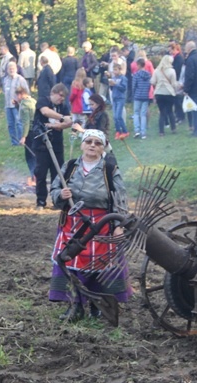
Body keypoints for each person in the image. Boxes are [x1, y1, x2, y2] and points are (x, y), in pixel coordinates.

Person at [49, 129, 130, 321]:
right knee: (70, 263)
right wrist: (61, 195)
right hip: (73, 223)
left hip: (101, 225)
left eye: (97, 143)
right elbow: (54, 190)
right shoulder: (69, 167)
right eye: (89, 141)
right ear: (82, 145)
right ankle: (75, 306)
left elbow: (121, 198)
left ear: (103, 148)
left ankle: (96, 305)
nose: (92, 145)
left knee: (99, 266)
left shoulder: (109, 169)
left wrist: (119, 225)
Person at [32, 83, 72, 209]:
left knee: (58, 173)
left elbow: (69, 122)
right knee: (41, 173)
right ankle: (41, 201)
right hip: (42, 144)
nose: (61, 99)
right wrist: (61, 118)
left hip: (57, 144)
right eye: (60, 96)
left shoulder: (64, 106)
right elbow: (45, 112)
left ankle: (57, 201)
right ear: (54, 93)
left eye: (64, 97)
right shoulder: (44, 100)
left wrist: (56, 125)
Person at [3, 62, 30, 146]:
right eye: (9, 69)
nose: (11, 70)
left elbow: (26, 92)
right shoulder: (5, 79)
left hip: (17, 105)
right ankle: (14, 142)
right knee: (10, 124)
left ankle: (21, 141)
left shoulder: (20, 79)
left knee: (19, 123)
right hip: (8, 105)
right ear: (7, 70)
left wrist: (23, 102)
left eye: (13, 68)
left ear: (16, 69)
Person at [151, 55, 178, 137]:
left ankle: (161, 131)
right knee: (170, 111)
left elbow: (152, 82)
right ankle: (173, 128)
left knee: (162, 112)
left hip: (159, 93)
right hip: (169, 93)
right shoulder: (172, 71)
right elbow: (174, 84)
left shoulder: (156, 71)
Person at [17, 86, 37, 185]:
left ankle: (34, 177)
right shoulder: (33, 101)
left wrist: (24, 137)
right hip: (37, 131)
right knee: (36, 154)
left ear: (20, 94)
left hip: (30, 132)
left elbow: (26, 122)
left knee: (30, 156)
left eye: (17, 95)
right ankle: (37, 176)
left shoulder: (24, 106)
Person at [131, 58, 151, 139]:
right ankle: (143, 133)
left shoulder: (136, 75)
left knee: (136, 113)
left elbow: (134, 86)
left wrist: (134, 94)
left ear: (139, 65)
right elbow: (149, 85)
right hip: (145, 96)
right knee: (143, 115)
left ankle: (137, 130)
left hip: (137, 96)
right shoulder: (148, 74)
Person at [109, 63, 129, 140]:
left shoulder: (123, 78)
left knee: (118, 116)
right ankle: (118, 131)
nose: (114, 71)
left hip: (120, 98)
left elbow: (123, 88)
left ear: (119, 70)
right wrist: (111, 85)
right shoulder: (113, 78)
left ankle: (125, 131)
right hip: (114, 98)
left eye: (116, 70)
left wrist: (115, 84)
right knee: (114, 116)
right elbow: (112, 89)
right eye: (113, 70)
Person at [169, 41, 185, 124]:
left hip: (178, 80)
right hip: (175, 80)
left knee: (178, 100)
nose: (170, 52)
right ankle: (177, 115)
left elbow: (177, 70)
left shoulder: (178, 58)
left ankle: (180, 116)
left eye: (171, 50)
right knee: (176, 100)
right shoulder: (175, 57)